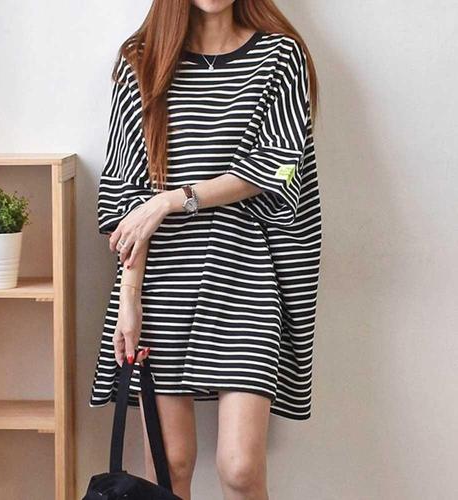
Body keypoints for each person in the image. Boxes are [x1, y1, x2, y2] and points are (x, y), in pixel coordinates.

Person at [89, 0, 322, 498]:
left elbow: (281, 167)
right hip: (162, 276)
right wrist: (129, 299)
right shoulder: (142, 60)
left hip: (246, 272)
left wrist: (173, 199)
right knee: (170, 466)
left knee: (240, 468)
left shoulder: (281, 56)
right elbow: (128, 198)